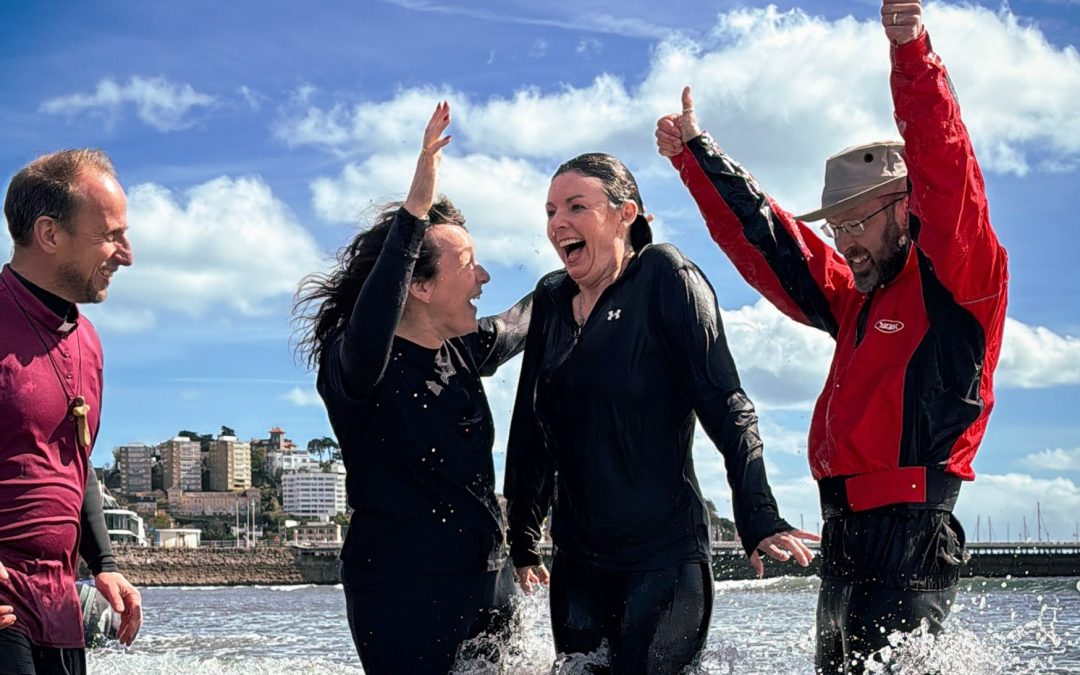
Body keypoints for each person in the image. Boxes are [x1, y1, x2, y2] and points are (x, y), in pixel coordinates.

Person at [656, 0, 1008, 670]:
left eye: (856, 223)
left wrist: (912, 54)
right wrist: (696, 158)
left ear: (906, 207)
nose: (843, 241)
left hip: (910, 539)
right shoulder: (857, 296)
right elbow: (775, 244)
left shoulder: (961, 281)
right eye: (836, 227)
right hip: (844, 540)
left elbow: (949, 171)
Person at [504, 151, 817, 673]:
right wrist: (523, 538)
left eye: (577, 206)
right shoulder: (553, 298)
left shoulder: (666, 277)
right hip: (579, 560)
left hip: (662, 556)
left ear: (626, 213)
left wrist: (758, 513)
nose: (558, 223)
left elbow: (726, 402)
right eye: (551, 210)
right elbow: (532, 425)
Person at [293, 102, 532, 674]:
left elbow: (531, 313)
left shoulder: (463, 349)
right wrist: (415, 212)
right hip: (401, 594)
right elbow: (373, 320)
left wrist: (591, 264)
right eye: (469, 264)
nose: (485, 277)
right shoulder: (357, 368)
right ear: (417, 286)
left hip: (489, 582)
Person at [1, 149, 143, 674]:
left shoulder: (89, 341)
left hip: (59, 604)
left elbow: (75, 463)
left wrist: (105, 564)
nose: (126, 255)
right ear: (49, 234)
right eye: (110, 236)